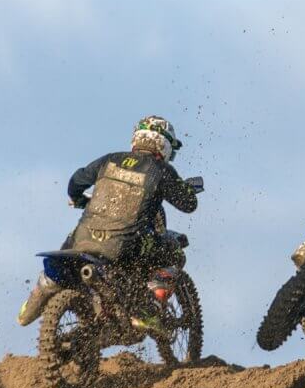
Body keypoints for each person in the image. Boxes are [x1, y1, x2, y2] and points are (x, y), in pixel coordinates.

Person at [17, 116, 200, 329]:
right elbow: (189, 204)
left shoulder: (110, 160)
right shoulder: (161, 170)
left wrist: (78, 199)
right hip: (125, 248)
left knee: (70, 242)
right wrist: (186, 189)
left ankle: (35, 300)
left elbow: (76, 182)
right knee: (174, 252)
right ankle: (147, 310)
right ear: (164, 145)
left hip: (82, 241)